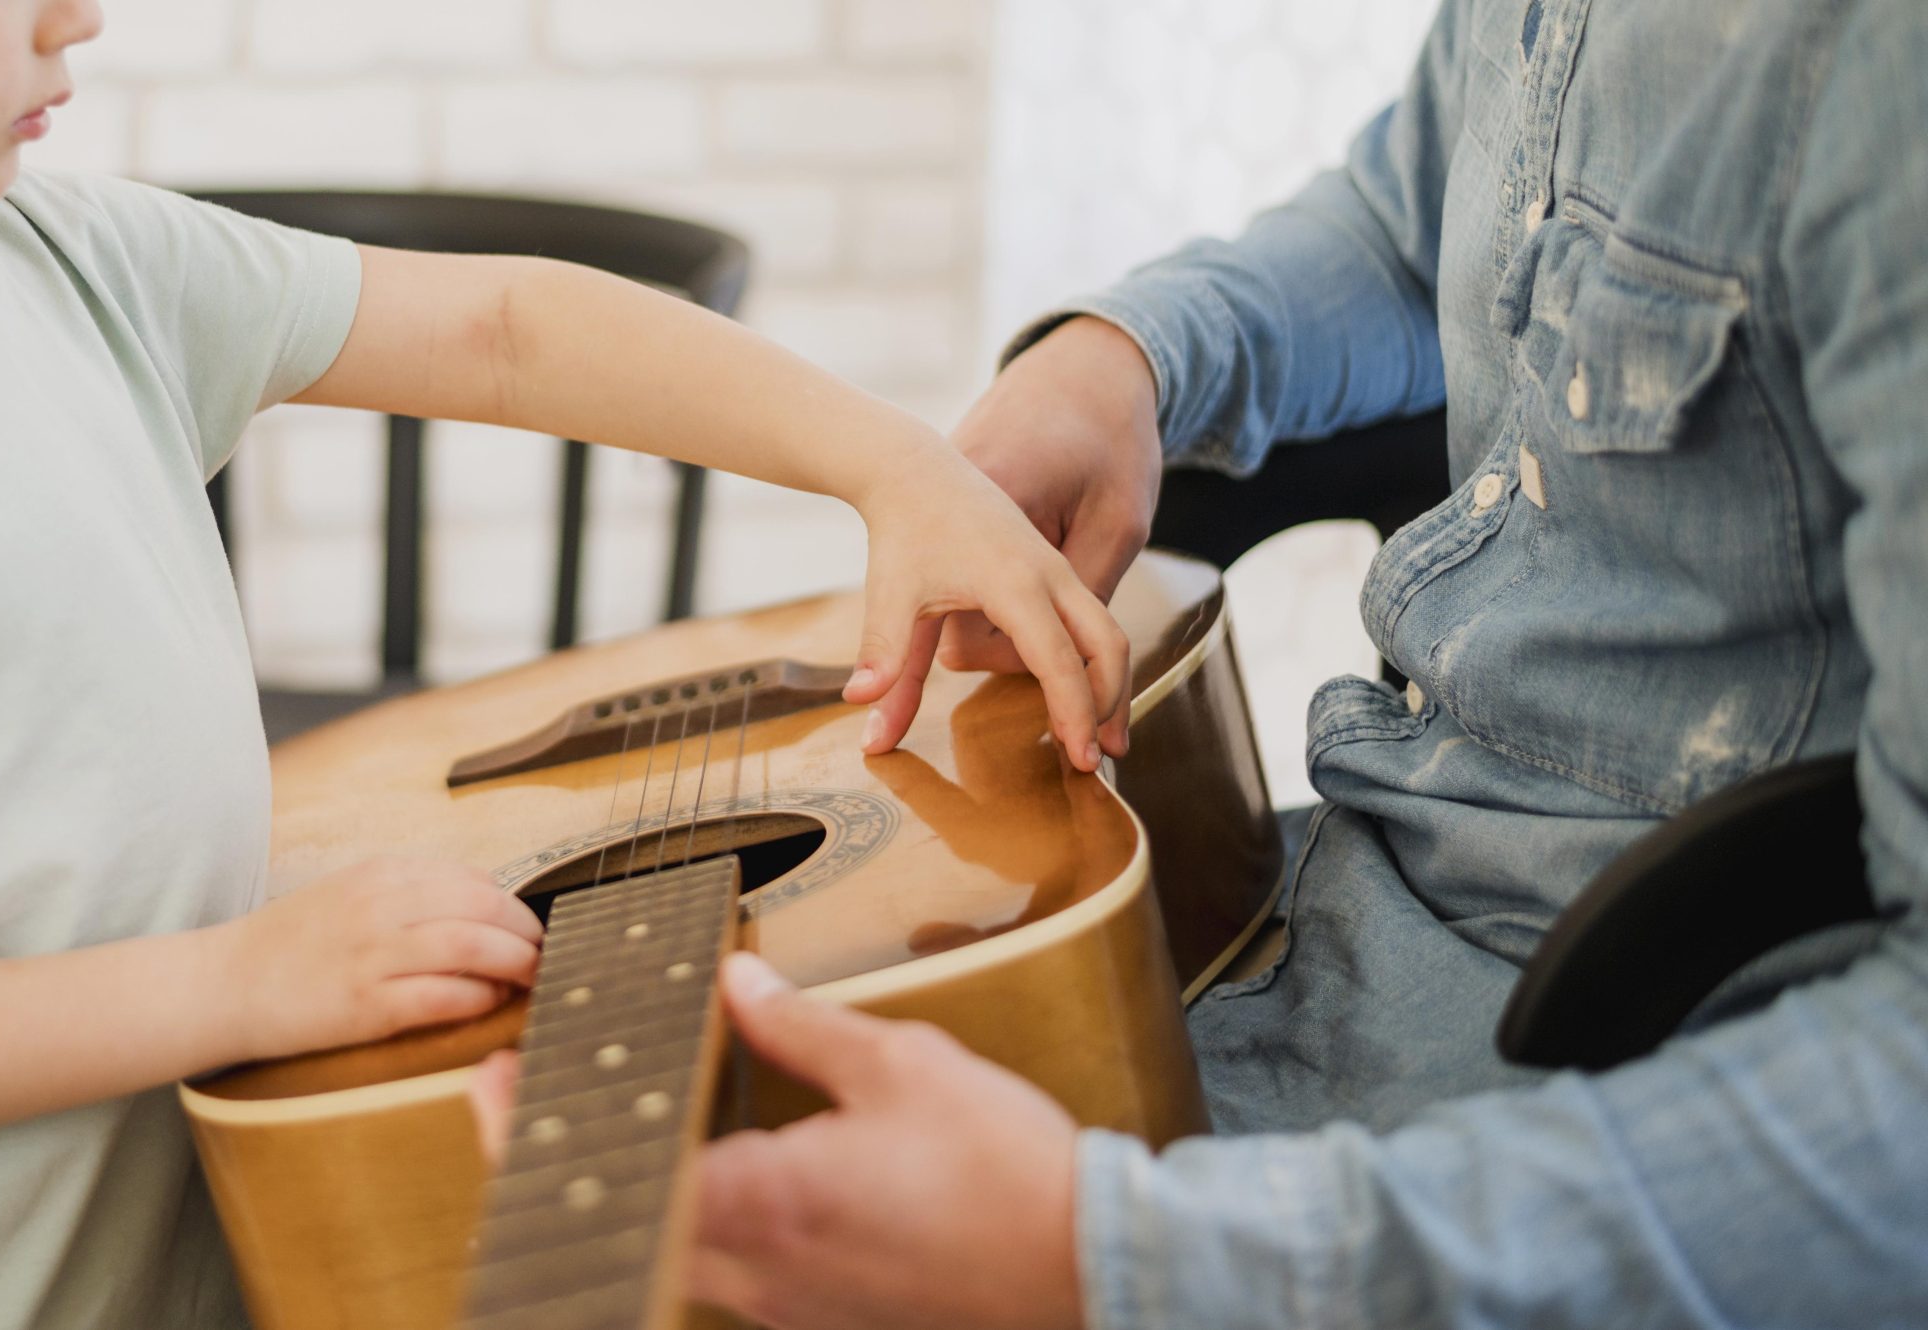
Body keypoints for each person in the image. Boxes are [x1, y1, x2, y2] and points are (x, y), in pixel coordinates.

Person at [0, 0, 1140, 1323]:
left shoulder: (77, 263)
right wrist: (238, 979)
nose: (83, 17)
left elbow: (502, 329)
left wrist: (894, 468)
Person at [473, 0, 1928, 1325]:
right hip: (1342, 891)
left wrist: (1118, 1257)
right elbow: (1407, 223)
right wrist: (1131, 356)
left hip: (1576, 1094)